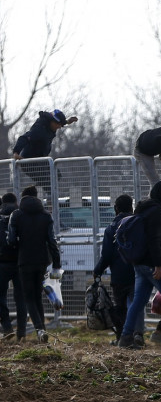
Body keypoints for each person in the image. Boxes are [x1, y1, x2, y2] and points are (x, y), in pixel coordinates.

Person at [118, 181, 161, 350]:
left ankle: (125, 336)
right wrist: (158, 265)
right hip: (154, 265)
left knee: (138, 301)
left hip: (139, 264)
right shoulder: (157, 211)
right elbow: (154, 240)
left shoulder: (143, 209)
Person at [7, 185, 61, 343]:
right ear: (37, 198)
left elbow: (11, 240)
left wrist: (18, 245)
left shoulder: (16, 215)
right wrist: (56, 262)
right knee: (38, 296)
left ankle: (39, 329)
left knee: (29, 297)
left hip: (24, 260)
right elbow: (52, 241)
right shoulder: (45, 215)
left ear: (22, 197)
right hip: (43, 260)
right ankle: (42, 331)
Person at [93, 194, 145, 346]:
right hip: (137, 269)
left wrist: (98, 270)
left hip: (118, 273)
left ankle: (123, 337)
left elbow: (107, 255)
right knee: (137, 303)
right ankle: (138, 334)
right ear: (132, 207)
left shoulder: (111, 228)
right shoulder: (138, 224)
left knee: (120, 306)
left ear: (116, 209)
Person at [12, 109, 78, 189]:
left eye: (60, 125)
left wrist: (67, 121)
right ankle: (48, 198)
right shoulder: (39, 129)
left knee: (57, 175)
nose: (58, 127)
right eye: (57, 125)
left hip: (41, 160)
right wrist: (16, 152)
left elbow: (60, 122)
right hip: (29, 162)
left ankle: (33, 190)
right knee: (47, 180)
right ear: (52, 121)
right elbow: (24, 138)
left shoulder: (51, 124)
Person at [0, 193, 25, 341]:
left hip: (2, 262)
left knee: (1, 297)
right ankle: (21, 331)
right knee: (21, 298)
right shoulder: (20, 216)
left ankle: (7, 327)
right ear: (16, 202)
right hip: (20, 262)